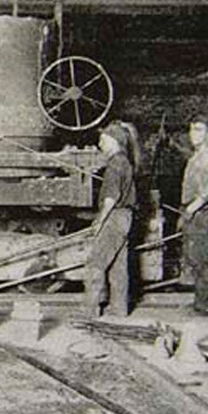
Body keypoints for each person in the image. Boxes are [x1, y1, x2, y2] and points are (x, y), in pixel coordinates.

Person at [84, 121, 140, 318]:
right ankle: (118, 309)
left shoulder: (115, 164)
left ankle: (90, 312)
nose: (100, 144)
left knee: (95, 263)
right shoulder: (125, 161)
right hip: (125, 218)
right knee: (118, 266)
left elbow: (111, 198)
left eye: (103, 140)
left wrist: (99, 221)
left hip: (114, 217)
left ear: (114, 141)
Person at [179, 116, 208, 316]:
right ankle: (201, 302)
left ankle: (207, 305)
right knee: (196, 258)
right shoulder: (196, 156)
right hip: (195, 212)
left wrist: (190, 210)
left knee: (202, 260)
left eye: (199, 130)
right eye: (191, 129)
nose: (193, 134)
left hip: (201, 214)